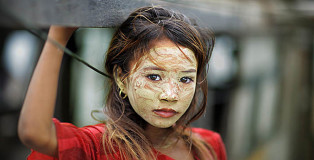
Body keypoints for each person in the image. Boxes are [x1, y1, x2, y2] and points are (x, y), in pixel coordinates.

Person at [18, 6, 227, 160]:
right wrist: (58, 36)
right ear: (121, 78)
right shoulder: (98, 148)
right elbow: (35, 133)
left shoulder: (209, 147)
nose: (170, 95)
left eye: (185, 79)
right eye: (153, 76)